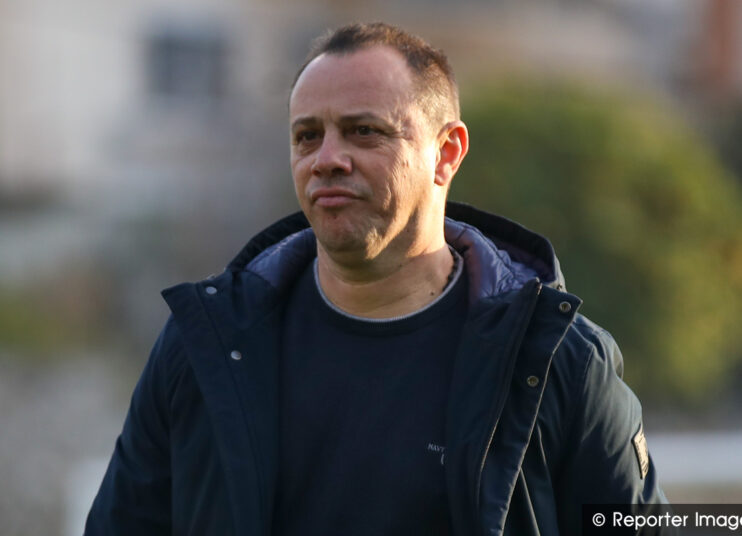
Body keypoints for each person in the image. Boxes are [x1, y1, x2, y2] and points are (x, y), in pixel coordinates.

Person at [86, 22, 667, 535]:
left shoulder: (557, 361)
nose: (326, 159)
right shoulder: (205, 348)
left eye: (364, 131)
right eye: (307, 135)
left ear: (446, 153)